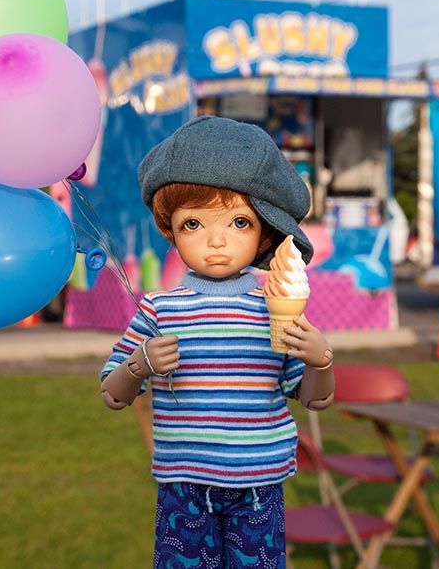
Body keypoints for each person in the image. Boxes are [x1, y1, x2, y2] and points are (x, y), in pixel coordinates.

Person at [99, 116, 335, 568]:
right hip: (184, 486)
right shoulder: (159, 310)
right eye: (192, 224)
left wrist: (321, 361)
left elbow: (314, 400)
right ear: (170, 230)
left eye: (239, 222)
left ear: (265, 231)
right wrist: (139, 363)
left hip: (259, 485)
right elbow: (111, 393)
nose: (216, 240)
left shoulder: (275, 304)